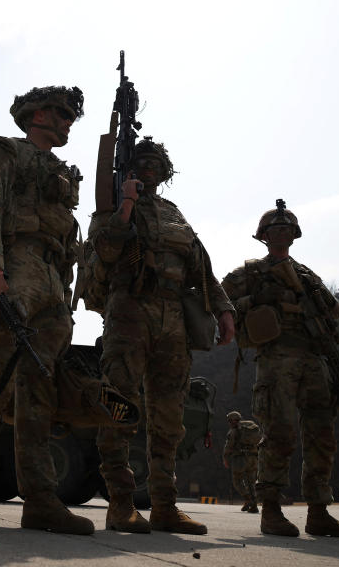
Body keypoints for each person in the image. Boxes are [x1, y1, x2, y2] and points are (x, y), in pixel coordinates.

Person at [0, 86, 92, 536]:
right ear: (37, 114)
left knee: (40, 392)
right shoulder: (8, 153)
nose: (68, 123)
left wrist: (66, 292)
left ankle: (41, 499)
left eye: (71, 117)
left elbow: (67, 238)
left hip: (51, 280)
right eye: (63, 114)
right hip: (14, 266)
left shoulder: (63, 171)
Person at [90, 137, 235, 535]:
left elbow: (201, 266)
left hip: (174, 320)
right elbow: (102, 251)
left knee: (170, 417)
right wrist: (125, 204)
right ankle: (120, 504)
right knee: (118, 407)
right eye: (143, 162)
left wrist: (224, 309)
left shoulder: (175, 214)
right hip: (129, 313)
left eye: (157, 164)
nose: (151, 169)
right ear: (131, 168)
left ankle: (165, 506)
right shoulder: (115, 203)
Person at [221, 201, 339, 538]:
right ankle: (270, 511)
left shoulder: (306, 275)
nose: (281, 233)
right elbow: (219, 304)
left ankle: (319, 511)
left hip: (315, 359)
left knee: (321, 436)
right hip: (276, 359)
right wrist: (255, 301)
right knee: (280, 435)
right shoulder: (250, 273)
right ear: (263, 236)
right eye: (275, 229)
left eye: (287, 229)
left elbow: (332, 312)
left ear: (295, 235)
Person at [222, 411, 261, 513]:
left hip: (240, 459)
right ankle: (254, 505)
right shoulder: (251, 427)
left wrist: (225, 458)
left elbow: (228, 447)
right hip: (253, 458)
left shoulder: (234, 431)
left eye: (229, 420)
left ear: (233, 420)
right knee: (251, 482)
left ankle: (248, 499)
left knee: (237, 481)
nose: (229, 423)